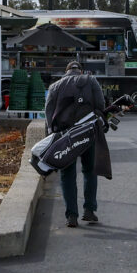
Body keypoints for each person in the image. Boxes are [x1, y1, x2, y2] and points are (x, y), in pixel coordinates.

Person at [45, 61, 108, 228]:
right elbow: (101, 106)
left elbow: (49, 115)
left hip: (65, 136)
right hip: (88, 134)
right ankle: (89, 211)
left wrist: (52, 138)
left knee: (67, 175)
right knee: (89, 171)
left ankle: (71, 216)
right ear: (80, 71)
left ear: (66, 71)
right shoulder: (91, 81)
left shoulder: (54, 86)